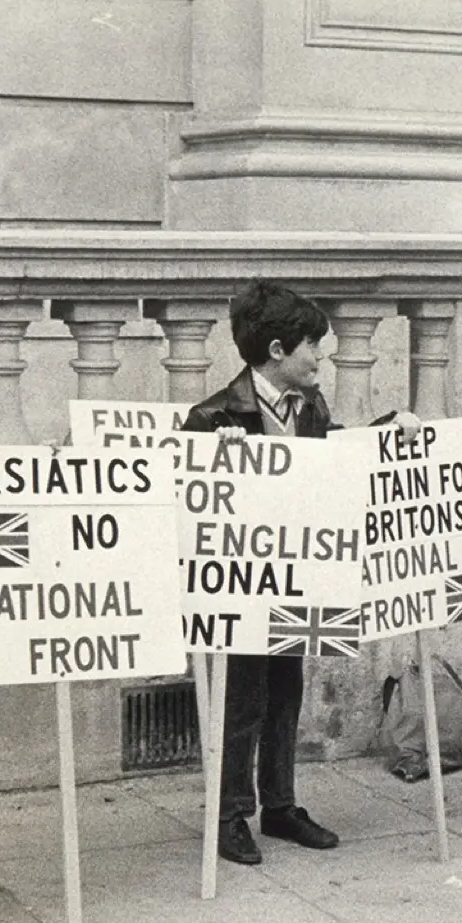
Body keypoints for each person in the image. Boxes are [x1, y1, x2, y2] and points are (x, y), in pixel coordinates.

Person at [180, 281, 345, 867]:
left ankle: (280, 803)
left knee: (284, 692)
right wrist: (212, 453)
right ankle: (228, 813)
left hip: (293, 576)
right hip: (240, 587)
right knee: (241, 699)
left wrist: (392, 427)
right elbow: (182, 492)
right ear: (277, 350)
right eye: (311, 347)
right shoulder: (214, 415)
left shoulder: (312, 409)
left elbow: (340, 459)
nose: (320, 356)